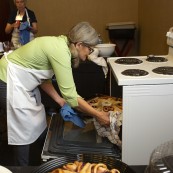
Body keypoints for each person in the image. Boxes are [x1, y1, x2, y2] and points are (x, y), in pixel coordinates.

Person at [0, 21, 110, 166]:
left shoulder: (63, 44)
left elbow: (43, 79)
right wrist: (99, 115)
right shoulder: (60, 51)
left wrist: (59, 101)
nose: (90, 53)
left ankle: (43, 158)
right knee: (23, 128)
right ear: (79, 44)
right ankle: (22, 168)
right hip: (8, 79)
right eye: (90, 49)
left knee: (38, 120)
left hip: (22, 83)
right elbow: (71, 96)